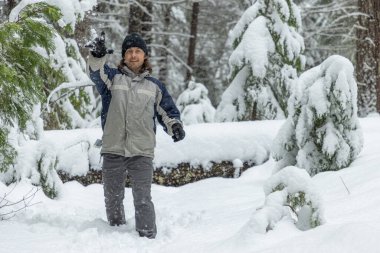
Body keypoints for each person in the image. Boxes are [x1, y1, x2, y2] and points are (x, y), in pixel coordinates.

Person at [86, 32, 185, 239]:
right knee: (112, 198)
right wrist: (97, 55)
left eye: (137, 51)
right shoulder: (112, 79)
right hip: (113, 148)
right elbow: (96, 72)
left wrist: (174, 126)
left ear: (144, 56)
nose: (133, 55)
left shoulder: (155, 86)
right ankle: (115, 233)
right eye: (129, 51)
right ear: (123, 56)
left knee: (142, 198)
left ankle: (148, 236)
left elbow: (167, 112)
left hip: (142, 151)